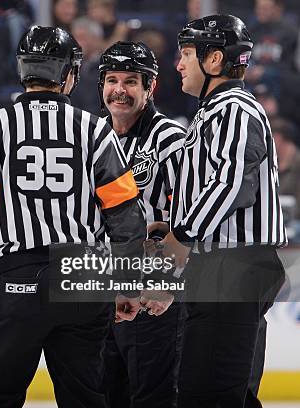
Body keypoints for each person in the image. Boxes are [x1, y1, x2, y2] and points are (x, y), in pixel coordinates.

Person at [0, 26, 146, 407]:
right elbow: (126, 217)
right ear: (69, 73)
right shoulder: (94, 130)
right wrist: (128, 285)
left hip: (16, 278)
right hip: (85, 277)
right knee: (86, 397)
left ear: (24, 71)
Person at [166, 14, 286, 407]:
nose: (179, 64)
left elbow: (232, 184)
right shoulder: (214, 110)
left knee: (211, 393)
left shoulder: (232, 108)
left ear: (214, 59)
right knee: (220, 389)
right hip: (223, 267)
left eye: (186, 54)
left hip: (232, 266)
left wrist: (182, 234)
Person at [98, 41, 187, 408]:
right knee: (103, 393)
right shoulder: (91, 136)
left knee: (152, 396)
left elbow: (185, 218)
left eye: (131, 81)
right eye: (112, 80)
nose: (120, 90)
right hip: (99, 287)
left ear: (150, 86)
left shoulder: (171, 139)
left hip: (152, 294)